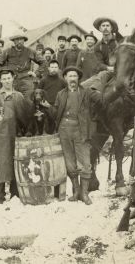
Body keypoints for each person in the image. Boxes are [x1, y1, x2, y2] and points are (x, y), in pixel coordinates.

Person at [40, 66, 105, 205]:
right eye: (70, 76)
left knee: (86, 163)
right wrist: (48, 107)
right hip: (64, 130)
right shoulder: (61, 94)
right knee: (70, 163)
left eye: (75, 76)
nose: (72, 79)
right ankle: (76, 192)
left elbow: (101, 100)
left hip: (81, 130)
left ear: (78, 78)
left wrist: (99, 90)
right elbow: (56, 112)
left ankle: (84, 193)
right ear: (65, 78)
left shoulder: (87, 92)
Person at [0, 67, 33, 204]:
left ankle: (15, 194)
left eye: (9, 78)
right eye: (4, 79)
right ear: (0, 81)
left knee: (16, 163)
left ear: (13, 78)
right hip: (1, 135)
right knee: (0, 165)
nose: (7, 81)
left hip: (16, 134)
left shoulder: (19, 96)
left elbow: (25, 117)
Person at [0, 34, 45, 99]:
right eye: (17, 39)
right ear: (14, 41)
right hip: (12, 81)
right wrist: (5, 74)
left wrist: (36, 73)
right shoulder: (8, 51)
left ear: (24, 40)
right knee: (12, 101)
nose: (19, 41)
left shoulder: (29, 51)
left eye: (21, 39)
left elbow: (43, 62)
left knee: (28, 101)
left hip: (26, 81)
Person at [38, 60, 68, 134]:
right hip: (45, 107)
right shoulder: (43, 80)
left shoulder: (62, 81)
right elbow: (38, 93)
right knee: (47, 129)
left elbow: (67, 94)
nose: (54, 69)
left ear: (58, 68)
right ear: (48, 68)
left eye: (55, 67)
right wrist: (43, 104)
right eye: (52, 67)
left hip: (58, 107)